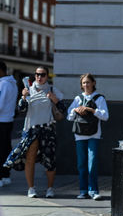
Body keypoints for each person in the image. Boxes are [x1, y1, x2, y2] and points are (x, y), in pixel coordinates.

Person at [3, 66, 65, 198]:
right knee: (30, 157)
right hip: (32, 129)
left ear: (47, 76)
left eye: (42, 74)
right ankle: (31, 188)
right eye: (37, 74)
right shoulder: (29, 90)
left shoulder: (53, 90)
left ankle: (50, 189)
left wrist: (55, 100)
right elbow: (21, 109)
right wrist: (24, 97)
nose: (39, 77)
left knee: (50, 160)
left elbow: (62, 110)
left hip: (47, 128)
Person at [67, 73, 109, 200]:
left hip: (94, 135)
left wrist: (91, 110)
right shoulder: (78, 98)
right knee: (81, 164)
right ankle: (83, 190)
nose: (86, 85)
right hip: (80, 135)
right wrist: (75, 110)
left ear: (93, 83)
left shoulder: (99, 99)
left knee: (92, 163)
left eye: (88, 82)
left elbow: (105, 116)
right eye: (84, 83)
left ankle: (94, 190)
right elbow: (69, 117)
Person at [0, 61, 18, 187]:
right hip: (8, 120)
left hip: (1, 121)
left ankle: (1, 176)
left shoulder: (4, 84)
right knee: (5, 149)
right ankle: (5, 175)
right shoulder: (13, 84)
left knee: (1, 150)